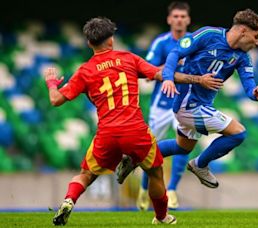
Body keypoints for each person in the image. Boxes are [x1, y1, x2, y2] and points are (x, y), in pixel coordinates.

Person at [46, 17, 222, 226]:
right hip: (135, 131)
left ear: (89, 43)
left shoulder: (85, 71)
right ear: (111, 40)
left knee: (86, 174)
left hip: (107, 134)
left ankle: (69, 200)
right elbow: (161, 74)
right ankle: (161, 216)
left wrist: (51, 83)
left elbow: (55, 100)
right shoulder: (128, 59)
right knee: (155, 172)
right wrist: (198, 79)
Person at [153, 8, 258, 188]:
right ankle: (200, 165)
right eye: (256, 36)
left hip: (199, 105)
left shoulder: (242, 57)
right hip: (188, 104)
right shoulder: (209, 35)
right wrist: (168, 79)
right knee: (239, 133)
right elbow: (175, 53)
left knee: (182, 148)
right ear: (243, 31)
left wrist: (254, 93)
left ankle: (136, 155)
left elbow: (248, 81)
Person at [116, 1, 192, 211]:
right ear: (169, 19)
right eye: (175, 16)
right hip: (162, 103)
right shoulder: (161, 43)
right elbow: (147, 73)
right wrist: (170, 66)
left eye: (183, 16)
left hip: (185, 101)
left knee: (185, 142)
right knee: (148, 147)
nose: (179, 20)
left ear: (188, 19)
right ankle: (143, 187)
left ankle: (173, 189)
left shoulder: (194, 42)